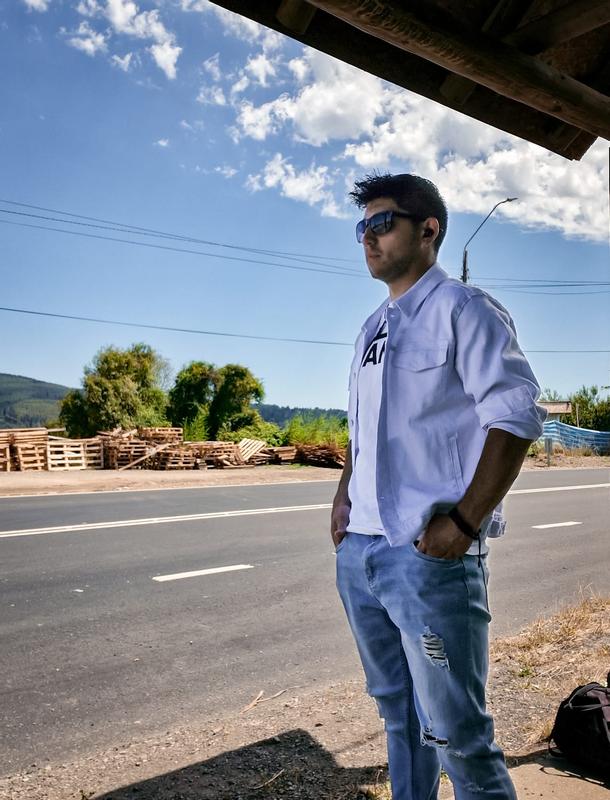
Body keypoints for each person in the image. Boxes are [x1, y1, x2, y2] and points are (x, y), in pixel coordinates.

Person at [331, 172, 547, 800]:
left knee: (456, 735)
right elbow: (364, 426)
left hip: (429, 559)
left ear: (428, 230)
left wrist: (466, 523)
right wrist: (344, 495)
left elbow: (515, 414)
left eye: (382, 223)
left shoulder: (464, 310)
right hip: (362, 555)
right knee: (398, 718)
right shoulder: (373, 326)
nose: (368, 238)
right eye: (361, 227)